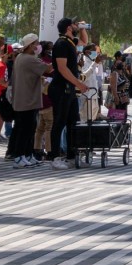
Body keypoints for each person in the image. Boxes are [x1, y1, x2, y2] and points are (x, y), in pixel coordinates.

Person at [49, 19, 88, 167]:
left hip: (69, 88)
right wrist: (79, 83)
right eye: (74, 24)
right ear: (68, 27)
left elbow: (84, 41)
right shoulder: (61, 43)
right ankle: (55, 158)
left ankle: (72, 157)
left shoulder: (71, 42)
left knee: (73, 121)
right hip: (60, 88)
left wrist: (83, 28)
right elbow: (62, 68)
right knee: (59, 122)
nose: (76, 26)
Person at [8, 32, 46, 166]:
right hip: (27, 101)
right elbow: (47, 69)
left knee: (29, 129)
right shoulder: (29, 59)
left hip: (24, 100)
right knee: (25, 130)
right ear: (30, 46)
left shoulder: (20, 57)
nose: (38, 46)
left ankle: (28, 155)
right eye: (36, 44)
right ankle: (19, 156)